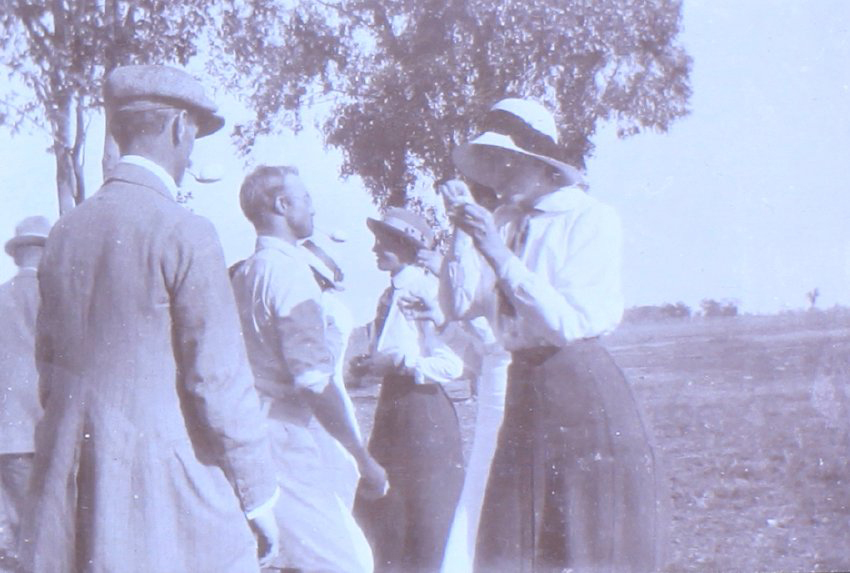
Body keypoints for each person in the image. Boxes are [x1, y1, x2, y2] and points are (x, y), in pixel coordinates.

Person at [20, 65, 280, 572]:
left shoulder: (64, 233)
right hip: (160, 489)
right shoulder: (186, 231)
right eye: (194, 137)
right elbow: (218, 381)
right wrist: (259, 494)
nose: (190, 152)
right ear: (180, 128)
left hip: (67, 490)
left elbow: (47, 371)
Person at [443, 98, 668, 572]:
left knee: (588, 543)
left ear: (539, 162)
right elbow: (457, 305)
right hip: (525, 390)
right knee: (514, 543)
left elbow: (565, 323)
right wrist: (462, 235)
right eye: (487, 161)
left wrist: (497, 255)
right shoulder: (504, 221)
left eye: (503, 159)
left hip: (580, 390)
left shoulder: (589, 218)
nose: (494, 172)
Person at [230, 165, 385, 573]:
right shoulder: (289, 274)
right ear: (283, 205)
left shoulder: (248, 271)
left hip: (254, 429)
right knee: (342, 562)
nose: (313, 209)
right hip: (283, 433)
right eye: (307, 199)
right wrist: (362, 457)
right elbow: (314, 382)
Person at [352, 208, 465, 573]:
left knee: (424, 524)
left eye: (381, 242)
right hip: (394, 412)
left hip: (424, 416)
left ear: (404, 245)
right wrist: (369, 365)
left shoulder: (424, 288)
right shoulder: (390, 293)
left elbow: (452, 364)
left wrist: (400, 364)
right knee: (385, 520)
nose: (374, 248)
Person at [0, 216, 51, 570]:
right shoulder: (55, 298)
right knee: (48, 533)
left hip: (6, 435)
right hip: (45, 431)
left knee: (17, 533)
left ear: (18, 256)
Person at [301, 236, 363, 510]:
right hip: (311, 402)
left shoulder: (330, 311)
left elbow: (324, 361)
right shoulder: (314, 306)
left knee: (335, 477)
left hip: (326, 398)